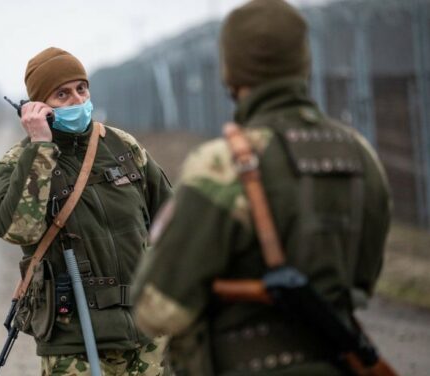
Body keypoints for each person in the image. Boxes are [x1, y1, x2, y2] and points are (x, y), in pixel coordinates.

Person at [132, 0, 391, 375]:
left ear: (231, 72)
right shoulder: (361, 155)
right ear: (303, 61)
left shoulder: (222, 165)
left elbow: (156, 309)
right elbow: (362, 282)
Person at [0, 47, 172, 375]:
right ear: (39, 106)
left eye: (81, 88)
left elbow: (171, 218)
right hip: (74, 341)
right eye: (62, 94)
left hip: (146, 333)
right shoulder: (19, 161)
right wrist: (41, 147)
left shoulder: (121, 146)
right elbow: (17, 228)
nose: (77, 99)